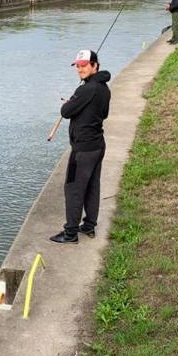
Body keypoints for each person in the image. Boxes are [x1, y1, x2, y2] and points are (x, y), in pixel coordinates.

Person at [50, 49, 111, 244]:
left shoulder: (85, 90)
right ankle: (89, 226)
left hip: (83, 150)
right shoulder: (104, 88)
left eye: (84, 65)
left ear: (95, 65)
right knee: (92, 186)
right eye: (78, 66)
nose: (80, 69)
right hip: (97, 146)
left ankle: (70, 234)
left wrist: (73, 102)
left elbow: (66, 111)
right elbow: (103, 114)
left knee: (74, 189)